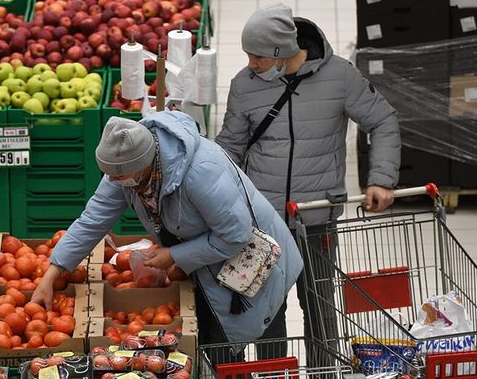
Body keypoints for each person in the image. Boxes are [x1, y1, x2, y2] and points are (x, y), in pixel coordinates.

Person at [215, 3, 401, 359]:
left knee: (318, 304)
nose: (250, 64)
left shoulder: (340, 77)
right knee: (267, 310)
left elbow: (383, 121)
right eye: (247, 56)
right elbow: (231, 146)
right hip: (263, 224)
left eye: (258, 57)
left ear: (282, 52)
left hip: (317, 218)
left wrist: (381, 179)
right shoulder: (244, 84)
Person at [31, 111, 303, 348]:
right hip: (214, 263)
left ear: (142, 164)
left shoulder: (199, 172)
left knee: (260, 346)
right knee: (221, 351)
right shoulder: (127, 170)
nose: (112, 180)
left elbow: (236, 235)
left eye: (117, 175)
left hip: (258, 262)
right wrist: (52, 273)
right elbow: (92, 221)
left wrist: (174, 256)